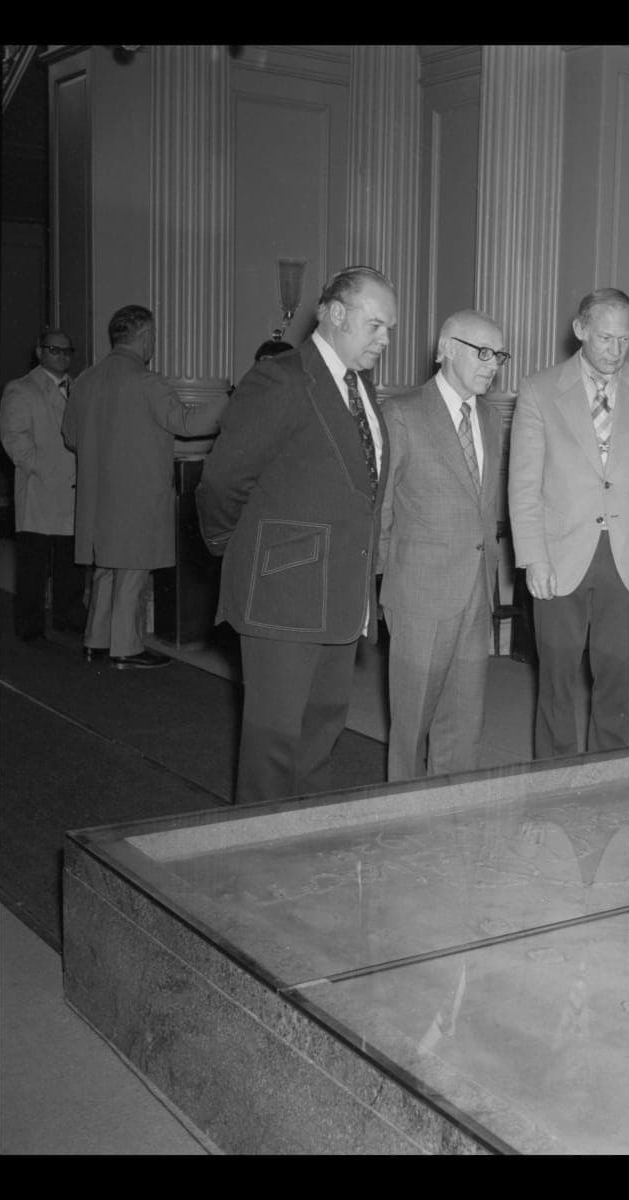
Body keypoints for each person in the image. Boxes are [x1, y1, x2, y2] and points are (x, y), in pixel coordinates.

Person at [196, 266, 396, 804]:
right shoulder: (281, 379)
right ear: (336, 314)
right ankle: (258, 850)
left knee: (320, 737)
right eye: (376, 324)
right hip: (281, 594)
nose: (385, 339)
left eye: (389, 329)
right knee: (273, 747)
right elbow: (222, 481)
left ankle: (303, 842)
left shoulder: (360, 387)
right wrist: (231, 548)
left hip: (341, 594)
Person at [508, 288, 629, 758]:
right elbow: (523, 485)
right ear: (580, 330)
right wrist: (533, 558)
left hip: (627, 553)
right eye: (605, 338)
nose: (615, 350)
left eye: (625, 339)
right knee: (556, 675)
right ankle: (554, 773)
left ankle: (608, 771)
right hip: (559, 553)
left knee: (616, 673)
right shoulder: (539, 390)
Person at [378, 310, 506, 780]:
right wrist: (385, 582)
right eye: (484, 352)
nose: (493, 365)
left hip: (476, 588)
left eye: (499, 356)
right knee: (411, 725)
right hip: (420, 593)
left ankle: (453, 809)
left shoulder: (491, 417)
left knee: (464, 722)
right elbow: (381, 508)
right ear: (447, 349)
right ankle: (403, 811)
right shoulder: (402, 413)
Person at [62, 305, 226, 668]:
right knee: (133, 571)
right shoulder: (147, 381)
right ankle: (126, 647)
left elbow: (70, 436)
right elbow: (187, 423)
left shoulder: (86, 380)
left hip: (96, 495)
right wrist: (229, 399)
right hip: (137, 495)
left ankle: (96, 640)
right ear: (145, 336)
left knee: (106, 568)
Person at [0, 327, 87, 643]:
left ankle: (68, 615)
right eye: (54, 350)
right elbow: (14, 439)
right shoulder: (21, 389)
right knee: (33, 564)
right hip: (40, 488)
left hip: (74, 489)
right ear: (40, 352)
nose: (61, 356)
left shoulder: (78, 388)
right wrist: (45, 469)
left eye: (67, 351)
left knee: (70, 559)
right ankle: (30, 626)